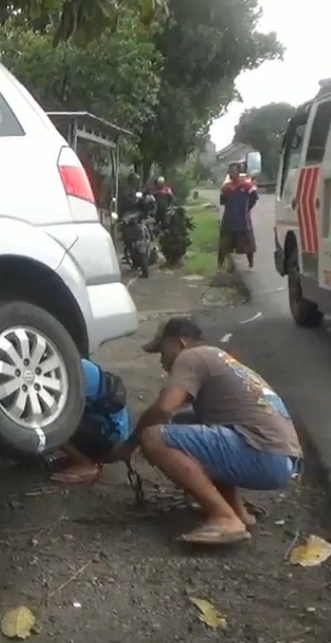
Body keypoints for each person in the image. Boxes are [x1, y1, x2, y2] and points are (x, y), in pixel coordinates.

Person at [114, 317, 302, 545]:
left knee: (153, 437)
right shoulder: (220, 359)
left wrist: (130, 444)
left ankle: (225, 518)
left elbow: (164, 408)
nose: (162, 361)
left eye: (162, 352)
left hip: (265, 454)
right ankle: (236, 511)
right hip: (282, 459)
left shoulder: (191, 356)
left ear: (179, 343)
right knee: (185, 423)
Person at [48, 358, 132, 484]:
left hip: (112, 439)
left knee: (48, 423)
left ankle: (86, 465)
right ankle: (81, 455)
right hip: (111, 427)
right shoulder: (67, 357)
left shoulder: (65, 371)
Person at [218, 165, 258, 270]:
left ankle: (251, 265)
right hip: (229, 219)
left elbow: (254, 199)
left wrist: (246, 209)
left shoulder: (247, 186)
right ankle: (219, 265)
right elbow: (223, 202)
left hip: (243, 220)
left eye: (234, 171)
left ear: (239, 172)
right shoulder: (226, 188)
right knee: (224, 244)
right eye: (230, 171)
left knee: (248, 245)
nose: (232, 173)